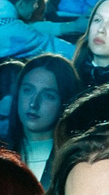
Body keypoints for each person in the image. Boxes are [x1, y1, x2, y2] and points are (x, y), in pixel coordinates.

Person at [13, 55, 82, 187]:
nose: (33, 103)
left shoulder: (74, 159)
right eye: (28, 90)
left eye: (48, 96)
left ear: (65, 102)